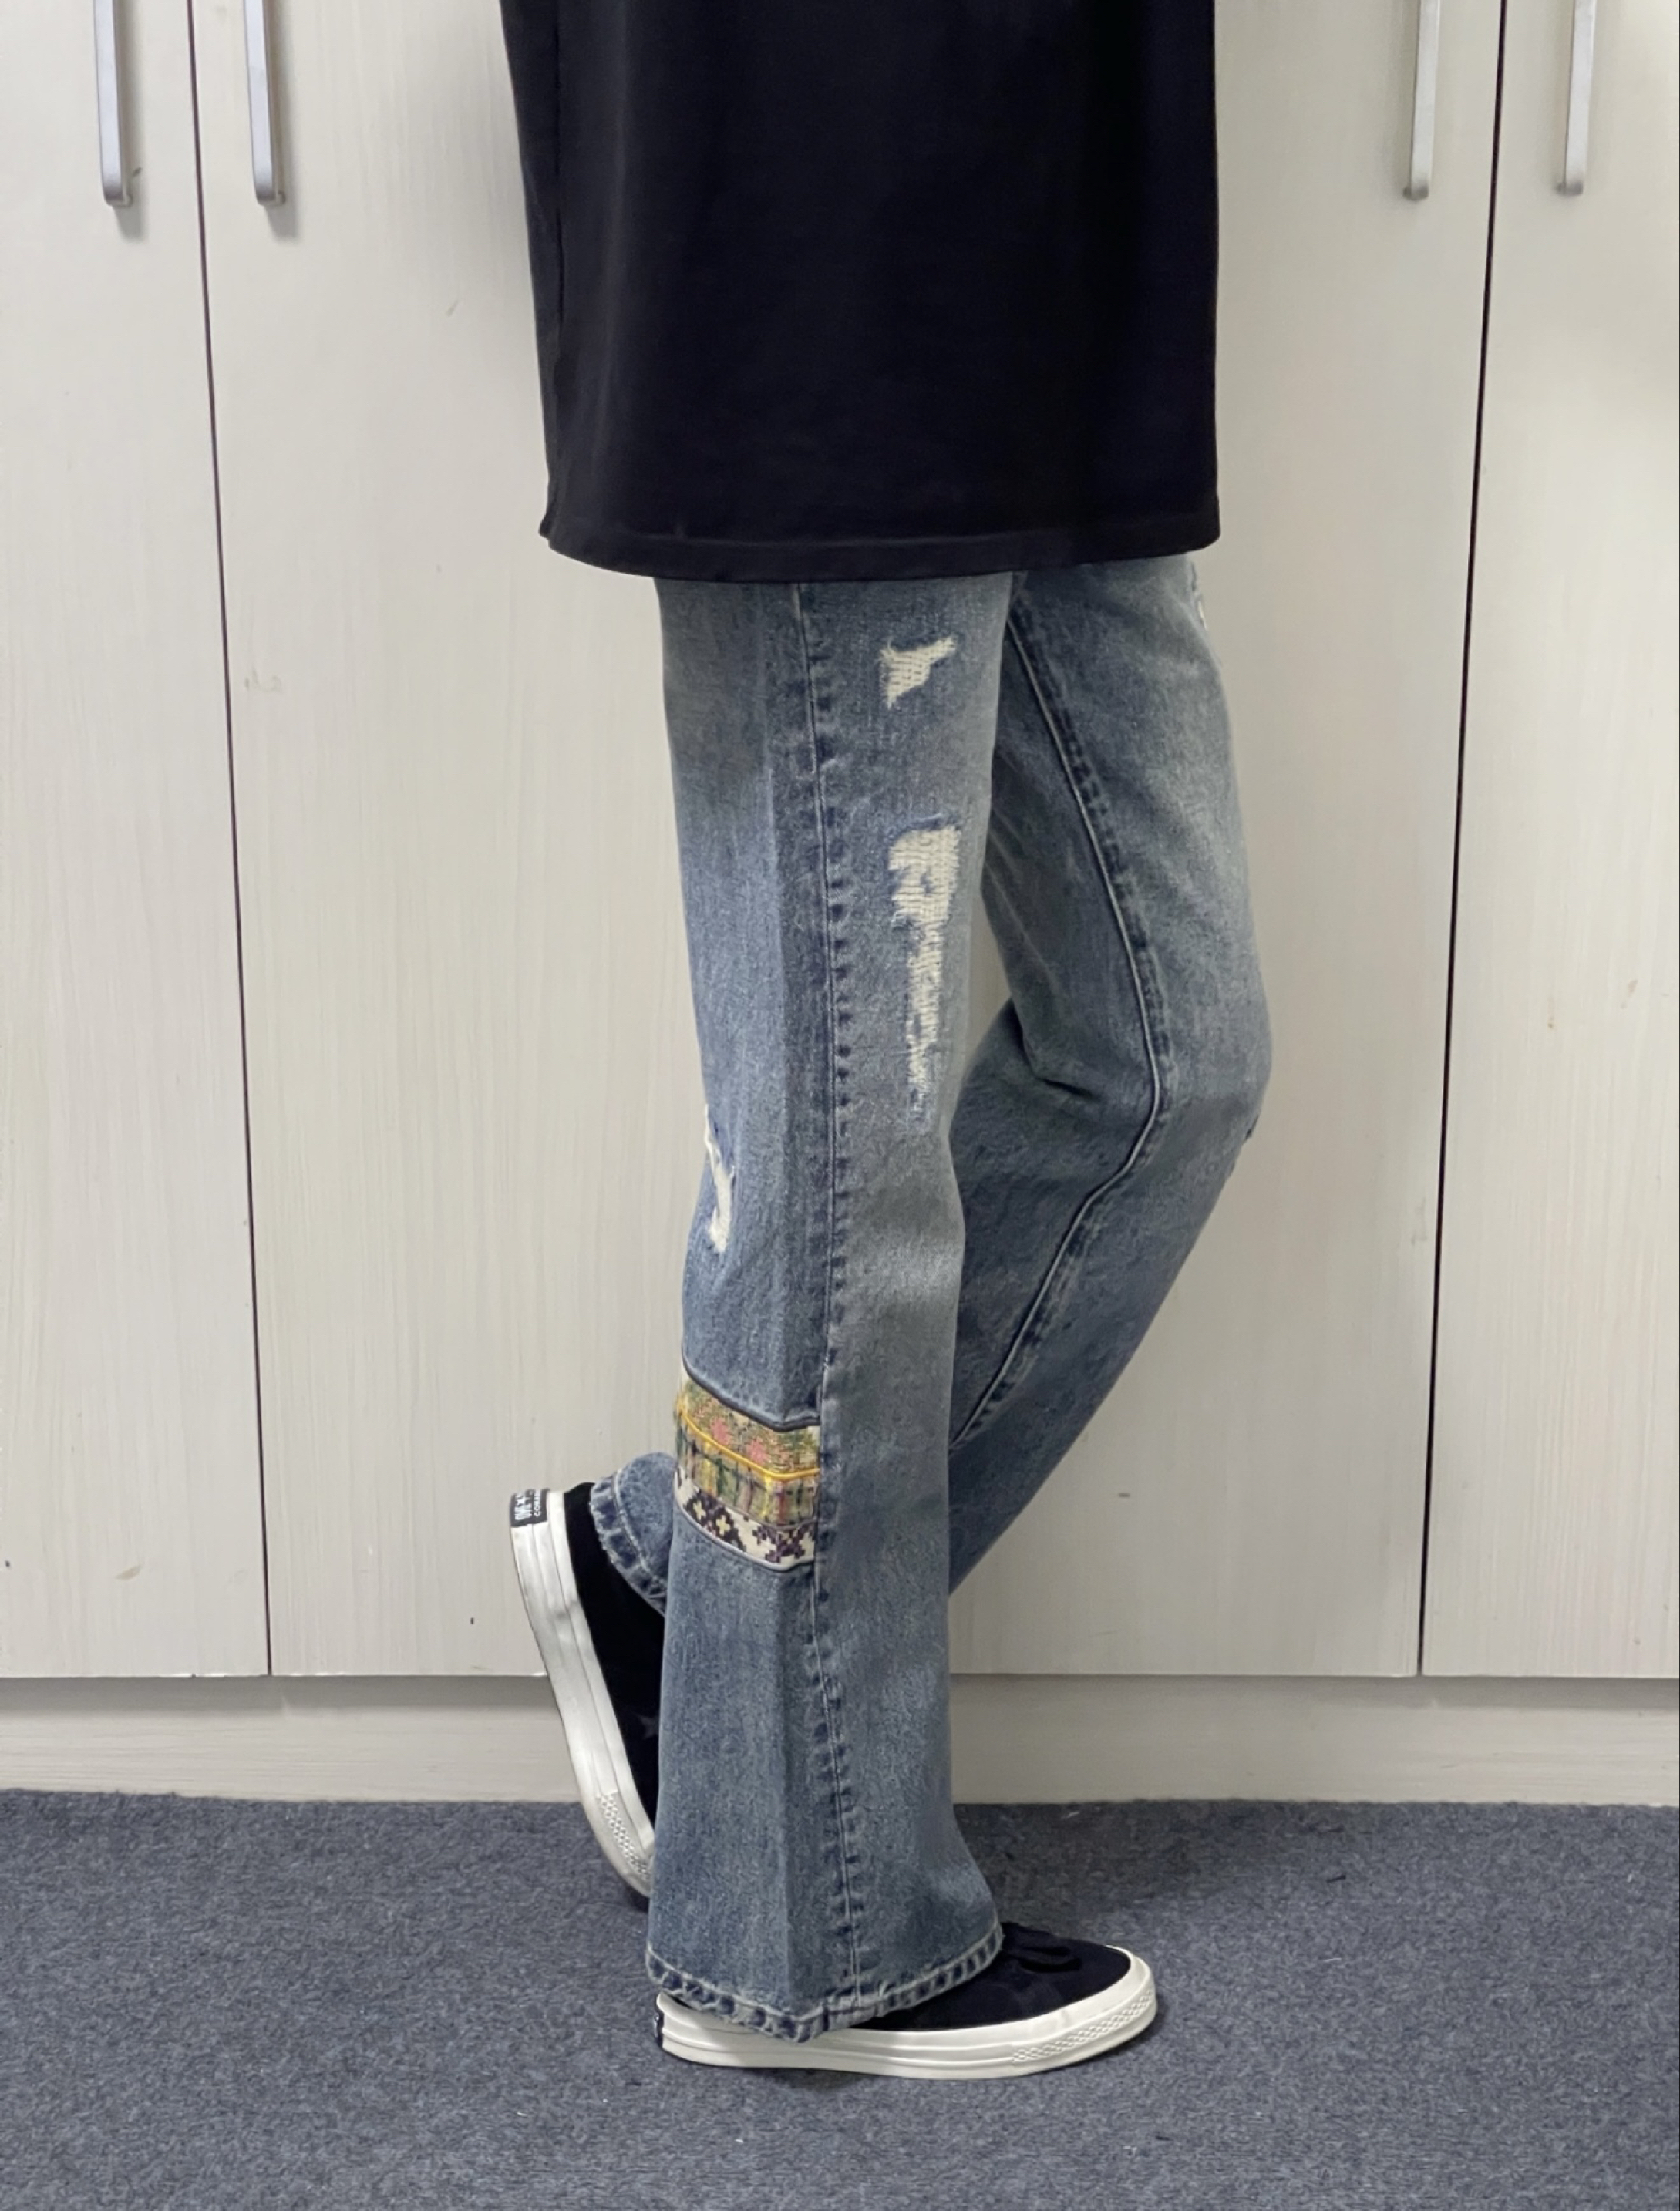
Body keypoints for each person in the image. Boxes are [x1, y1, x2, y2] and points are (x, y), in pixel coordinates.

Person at [496, 0, 1272, 2080]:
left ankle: (673, 1588)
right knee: (839, 1163)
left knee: (1166, 1054)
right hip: (810, 217)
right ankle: (803, 1933)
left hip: (1060, 237)